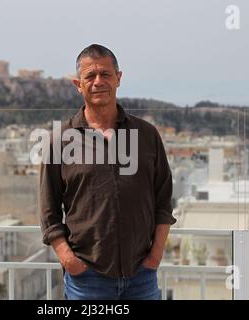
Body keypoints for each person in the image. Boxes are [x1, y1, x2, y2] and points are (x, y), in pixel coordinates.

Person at [39, 44, 176, 300]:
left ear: (119, 78)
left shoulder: (146, 135)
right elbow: (49, 212)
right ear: (78, 84)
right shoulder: (60, 141)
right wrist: (70, 261)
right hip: (87, 279)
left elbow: (164, 200)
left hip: (141, 276)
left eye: (105, 74)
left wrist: (155, 256)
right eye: (90, 76)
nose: (98, 82)